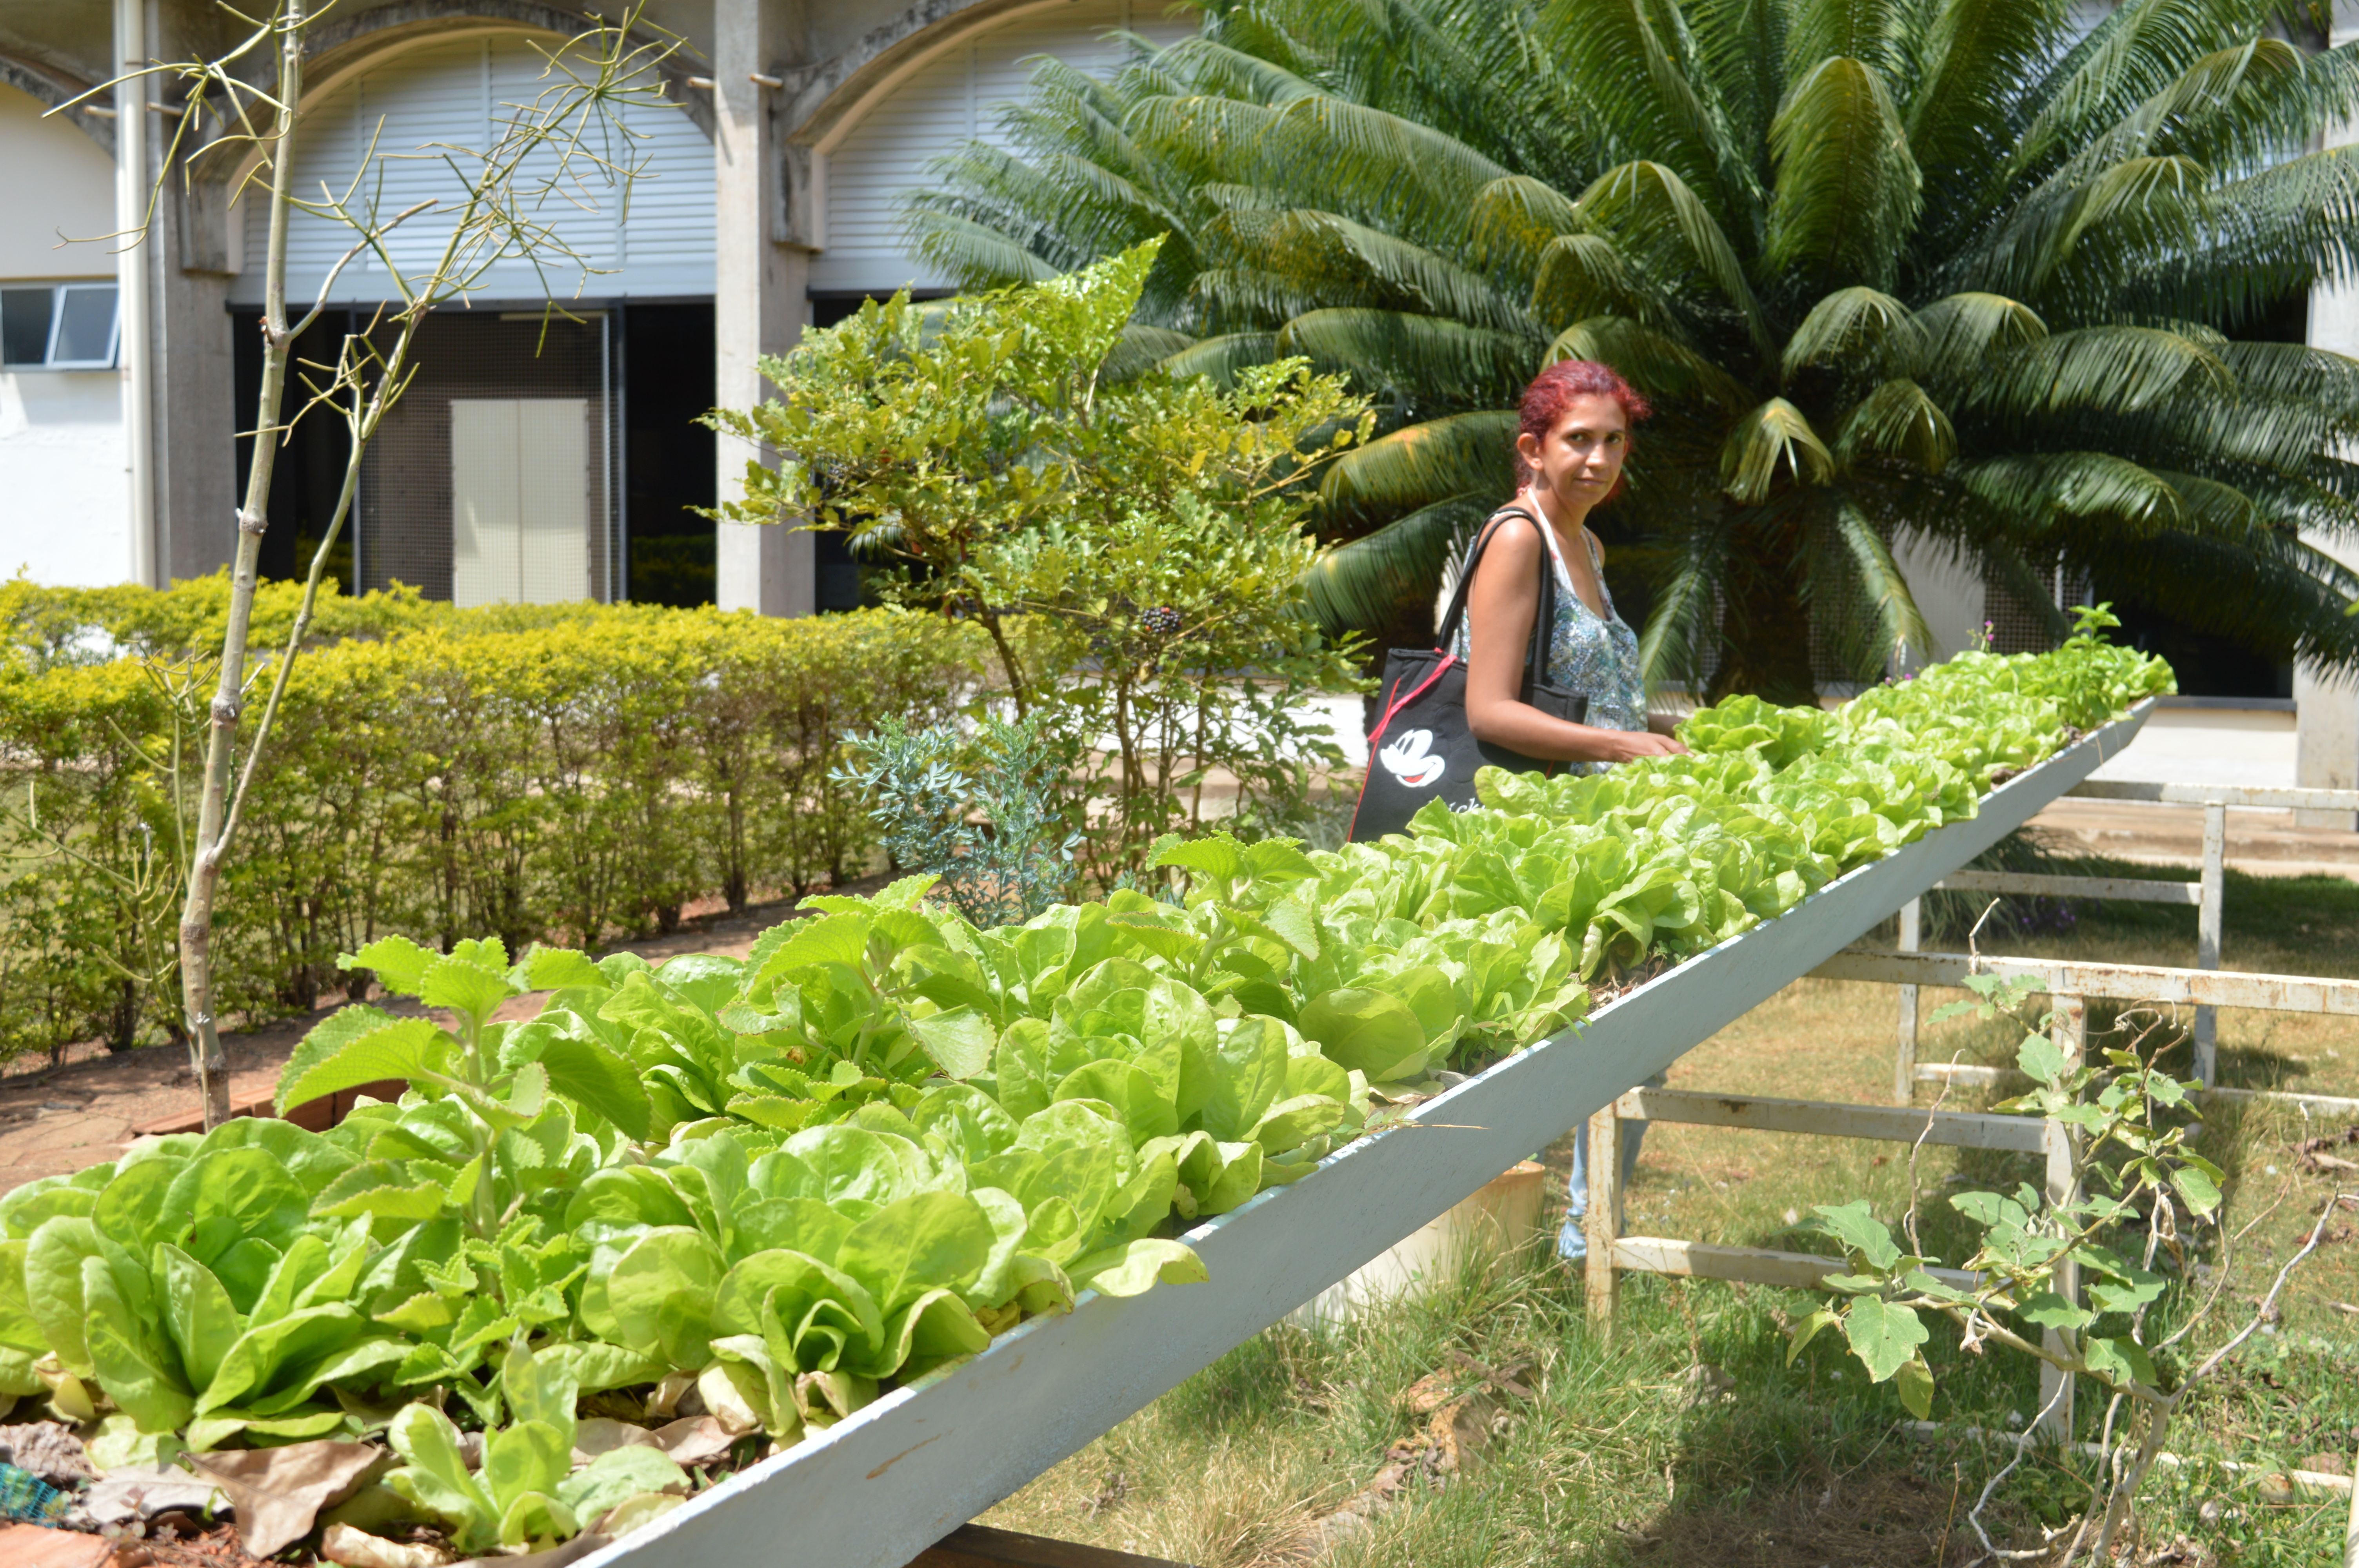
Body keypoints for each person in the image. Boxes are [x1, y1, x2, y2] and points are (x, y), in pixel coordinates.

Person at [1452, 357, 1687, 1262]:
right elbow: (1489, 709)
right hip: (1532, 839)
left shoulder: (1586, 545)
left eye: (1612, 441)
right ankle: (1522, 1246)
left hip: (1601, 838)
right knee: (1557, 1041)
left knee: (1639, 1032)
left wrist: (1663, 733)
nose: (1596, 458)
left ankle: (1581, 1240)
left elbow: (1590, 695)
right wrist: (1623, 746)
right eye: (1576, 440)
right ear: (1532, 448)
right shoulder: (1519, 538)